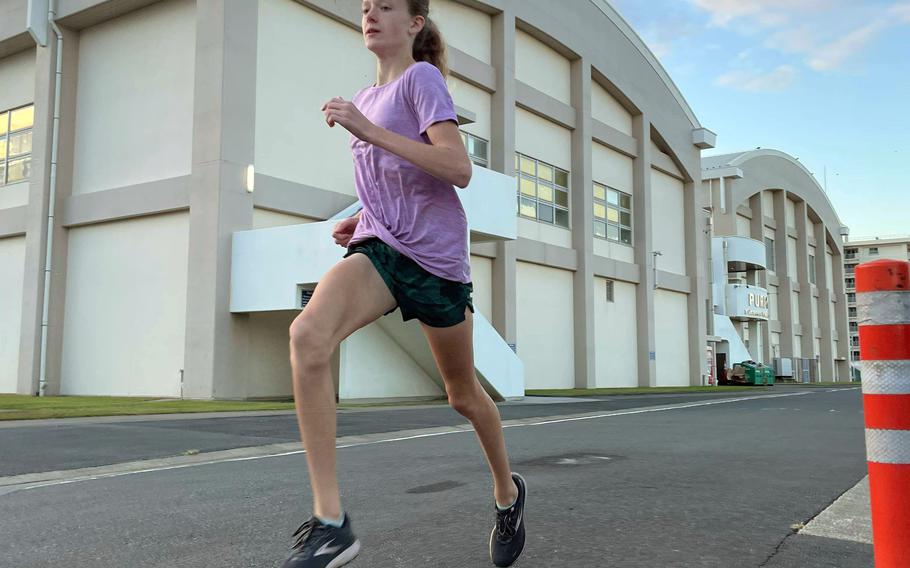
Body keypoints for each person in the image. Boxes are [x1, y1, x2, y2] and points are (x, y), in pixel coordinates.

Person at [279, 1, 527, 567]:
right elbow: (389, 186)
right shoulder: (362, 100)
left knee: (463, 396)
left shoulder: (422, 79)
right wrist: (361, 221)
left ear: (414, 23)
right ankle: (330, 522)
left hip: (436, 263)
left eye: (385, 5)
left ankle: (507, 494)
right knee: (308, 337)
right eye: (365, 6)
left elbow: (455, 169)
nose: (370, 13)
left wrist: (366, 130)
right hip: (382, 250)